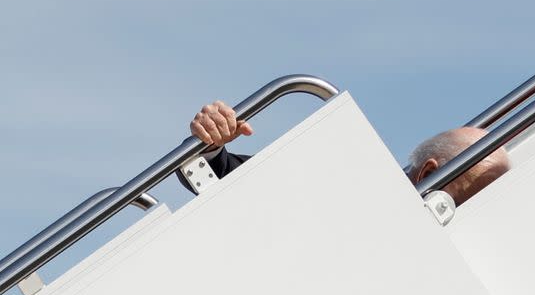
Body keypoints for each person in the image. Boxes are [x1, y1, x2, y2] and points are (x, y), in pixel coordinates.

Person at [184, 100, 511, 205]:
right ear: (428, 175)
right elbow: (219, 175)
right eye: (478, 196)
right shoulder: (345, 194)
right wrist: (211, 143)